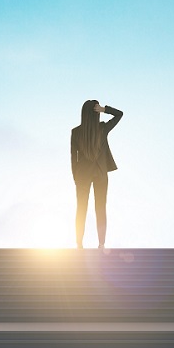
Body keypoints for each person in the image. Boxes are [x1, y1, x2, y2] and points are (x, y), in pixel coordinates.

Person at [71, 100, 123, 249]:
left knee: (81, 208)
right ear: (96, 113)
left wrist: (75, 176)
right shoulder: (102, 128)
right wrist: (104, 109)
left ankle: (79, 244)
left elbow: (73, 158)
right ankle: (101, 244)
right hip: (100, 173)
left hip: (82, 175)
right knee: (100, 208)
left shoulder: (76, 132)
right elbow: (119, 114)